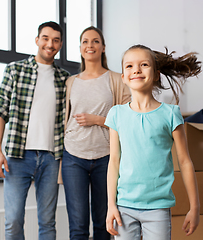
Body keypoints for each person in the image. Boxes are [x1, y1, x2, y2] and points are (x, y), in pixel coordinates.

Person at [105, 44, 201, 240]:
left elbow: (185, 162)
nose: (136, 70)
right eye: (129, 66)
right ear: (123, 77)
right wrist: (111, 206)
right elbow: (114, 161)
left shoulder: (171, 114)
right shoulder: (116, 114)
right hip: (124, 207)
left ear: (156, 74)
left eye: (144, 64)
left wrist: (195, 207)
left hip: (158, 207)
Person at [0, 21, 70, 240]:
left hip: (51, 158)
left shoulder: (65, 78)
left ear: (60, 44)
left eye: (55, 40)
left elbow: (68, 121)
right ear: (37, 40)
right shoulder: (15, 70)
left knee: (47, 221)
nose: (50, 44)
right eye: (45, 38)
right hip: (18, 156)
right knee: (13, 219)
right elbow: (0, 112)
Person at [61, 26, 131, 240]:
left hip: (106, 158)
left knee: (104, 224)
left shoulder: (117, 79)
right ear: (80, 48)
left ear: (103, 48)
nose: (89, 45)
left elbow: (129, 119)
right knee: (78, 227)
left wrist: (99, 120)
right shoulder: (70, 82)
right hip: (73, 156)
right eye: (85, 41)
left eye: (95, 41)